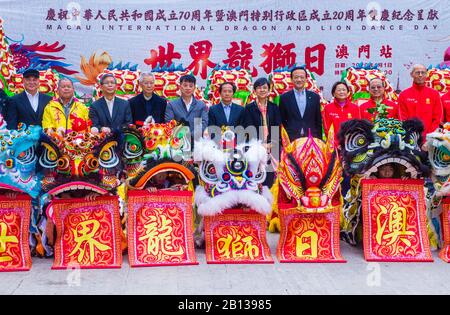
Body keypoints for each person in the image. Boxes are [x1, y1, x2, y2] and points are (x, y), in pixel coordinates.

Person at [241, 77, 281, 187]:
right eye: (259, 88)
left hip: (272, 147)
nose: (262, 90)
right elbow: (248, 128)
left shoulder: (274, 108)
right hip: (255, 147)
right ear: (254, 91)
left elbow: (277, 127)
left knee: (270, 175)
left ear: (269, 90)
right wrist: (260, 144)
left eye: (265, 88)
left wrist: (271, 143)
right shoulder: (249, 108)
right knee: (255, 175)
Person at [398, 64, 442, 138]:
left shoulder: (434, 94)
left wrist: (428, 137)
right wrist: (411, 136)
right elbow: (402, 118)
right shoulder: (404, 95)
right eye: (417, 72)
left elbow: (437, 118)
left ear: (426, 75)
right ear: (411, 74)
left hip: (429, 139)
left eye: (423, 72)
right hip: (410, 138)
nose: (420, 75)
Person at [279, 66, 322, 141]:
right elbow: (282, 120)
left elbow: (318, 121)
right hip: (291, 139)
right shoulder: (284, 98)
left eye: (302, 77)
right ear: (291, 79)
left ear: (306, 79)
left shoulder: (314, 97)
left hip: (311, 139)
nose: (299, 80)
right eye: (296, 77)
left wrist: (319, 140)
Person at [165, 74, 208, 140]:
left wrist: (191, 136)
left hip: (197, 141)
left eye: (191, 86)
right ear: (180, 87)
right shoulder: (171, 105)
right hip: (177, 141)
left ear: (194, 88)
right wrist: (181, 136)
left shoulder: (201, 105)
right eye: (185, 85)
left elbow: (204, 123)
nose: (188, 88)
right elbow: (169, 123)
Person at [322, 81, 360, 145]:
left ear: (348, 92)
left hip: (351, 144)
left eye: (344, 90)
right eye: (339, 90)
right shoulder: (327, 108)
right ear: (334, 93)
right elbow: (327, 128)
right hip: (334, 145)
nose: (341, 92)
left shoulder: (355, 107)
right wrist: (335, 143)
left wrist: (352, 142)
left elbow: (358, 126)